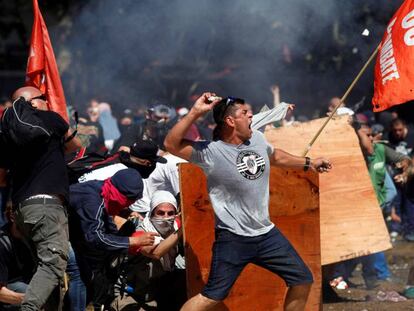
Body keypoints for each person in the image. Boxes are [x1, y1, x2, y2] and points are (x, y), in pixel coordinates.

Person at [164, 93, 332, 311]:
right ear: (231, 121)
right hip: (233, 239)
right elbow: (171, 143)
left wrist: (309, 162)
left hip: (266, 235)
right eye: (245, 113)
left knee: (302, 279)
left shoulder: (257, 139)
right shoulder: (211, 153)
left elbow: (276, 157)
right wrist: (196, 111)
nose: (252, 115)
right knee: (210, 297)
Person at [0, 86, 81, 310]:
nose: (47, 101)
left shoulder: (11, 135)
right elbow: (76, 146)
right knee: (53, 266)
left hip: (23, 211)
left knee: (43, 271)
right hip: (46, 206)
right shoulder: (49, 119)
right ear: (33, 103)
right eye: (43, 98)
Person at [68, 168, 159, 309]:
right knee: (79, 270)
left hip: (73, 234)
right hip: (54, 229)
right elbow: (96, 237)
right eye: (127, 201)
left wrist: (129, 234)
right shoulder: (93, 199)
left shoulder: (103, 191)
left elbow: (107, 228)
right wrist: (132, 241)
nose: (126, 205)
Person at [125, 190, 185, 310]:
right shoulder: (140, 233)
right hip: (137, 291)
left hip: (164, 284)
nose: (166, 218)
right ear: (152, 213)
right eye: (161, 213)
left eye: (170, 213)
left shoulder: (175, 224)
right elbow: (156, 253)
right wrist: (181, 231)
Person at [0, 205, 35, 310]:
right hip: (8, 286)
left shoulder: (34, 236)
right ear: (12, 217)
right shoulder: (2, 244)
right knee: (25, 290)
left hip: (27, 279)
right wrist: (32, 299)